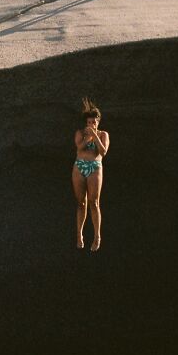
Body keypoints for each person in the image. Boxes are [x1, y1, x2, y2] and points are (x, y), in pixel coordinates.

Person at [72, 98, 109, 251]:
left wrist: (95, 135)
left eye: (94, 122)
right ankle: (79, 234)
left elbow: (103, 152)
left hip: (95, 167)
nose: (91, 125)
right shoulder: (80, 133)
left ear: (98, 122)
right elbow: (79, 148)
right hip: (80, 167)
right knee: (81, 202)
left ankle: (97, 236)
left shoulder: (103, 135)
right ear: (85, 123)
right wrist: (88, 137)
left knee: (94, 202)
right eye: (89, 122)